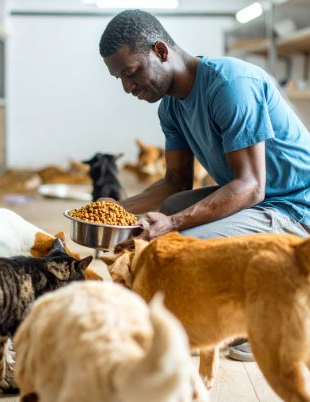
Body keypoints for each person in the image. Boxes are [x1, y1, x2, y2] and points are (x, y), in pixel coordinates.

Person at [99, 9, 310, 362]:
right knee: (168, 209)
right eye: (119, 78)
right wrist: (113, 211)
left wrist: (176, 225)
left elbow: (251, 187)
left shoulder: (231, 85)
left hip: (293, 206)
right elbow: (173, 183)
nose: (127, 87)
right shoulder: (170, 108)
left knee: (184, 248)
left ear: (161, 51)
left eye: (131, 72)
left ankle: (257, 317)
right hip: (257, 199)